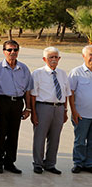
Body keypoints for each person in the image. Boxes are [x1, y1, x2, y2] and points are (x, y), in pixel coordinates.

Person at [0, 40, 33, 174]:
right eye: (9, 50)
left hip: (17, 104)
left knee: (13, 134)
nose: (12, 52)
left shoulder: (24, 69)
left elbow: (27, 90)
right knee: (1, 134)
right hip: (2, 103)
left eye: (15, 50)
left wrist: (28, 108)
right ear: (4, 51)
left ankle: (10, 162)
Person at [30, 47, 71, 175]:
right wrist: (33, 113)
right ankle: (38, 163)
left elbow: (66, 93)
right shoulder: (37, 73)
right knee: (40, 137)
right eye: (50, 57)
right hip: (43, 107)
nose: (53, 60)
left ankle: (50, 163)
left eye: (56, 57)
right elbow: (33, 95)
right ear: (44, 59)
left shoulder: (63, 73)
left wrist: (65, 111)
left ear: (59, 59)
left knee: (55, 137)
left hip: (58, 108)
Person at [69, 45, 92, 173]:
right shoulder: (76, 72)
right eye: (90, 55)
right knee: (80, 140)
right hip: (81, 115)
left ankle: (89, 164)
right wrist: (74, 111)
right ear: (84, 56)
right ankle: (78, 162)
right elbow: (70, 94)